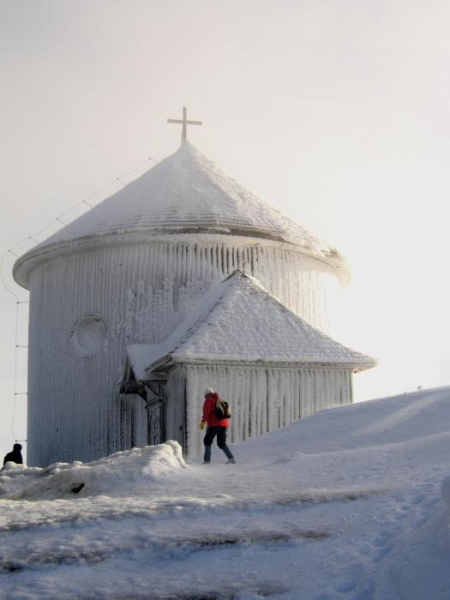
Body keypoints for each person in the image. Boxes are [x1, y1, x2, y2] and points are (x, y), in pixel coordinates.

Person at [200, 388, 236, 464]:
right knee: (221, 442)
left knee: (207, 440)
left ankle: (207, 461)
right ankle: (231, 458)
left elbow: (206, 412)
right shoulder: (219, 399)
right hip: (224, 424)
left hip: (214, 424)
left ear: (206, 395)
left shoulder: (209, 399)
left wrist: (203, 422)